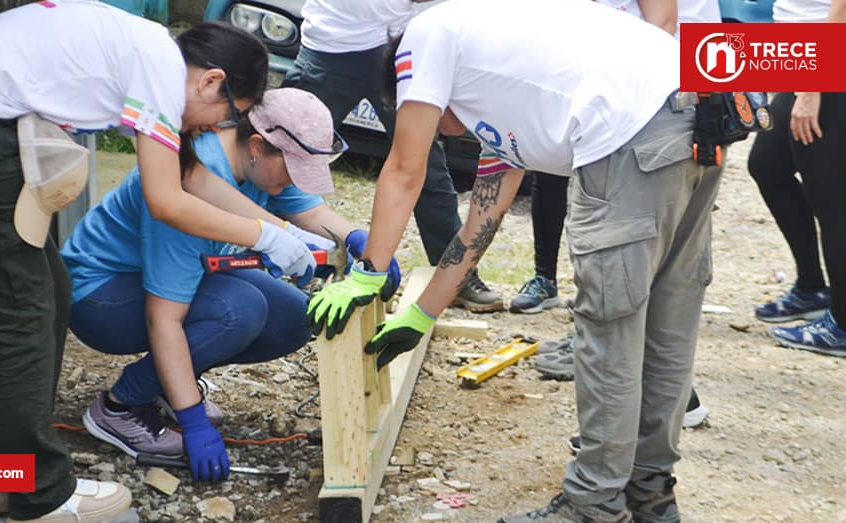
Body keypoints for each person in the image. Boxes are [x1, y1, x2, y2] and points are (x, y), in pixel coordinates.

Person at [0, 2, 295, 520]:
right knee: (26, 314)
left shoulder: (152, 58)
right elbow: (167, 201)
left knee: (47, 292)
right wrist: (263, 236)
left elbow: (190, 179)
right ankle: (42, 495)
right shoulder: (161, 73)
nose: (220, 125)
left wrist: (278, 232)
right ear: (212, 81)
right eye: (230, 113)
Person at [307, 1, 720, 521]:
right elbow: (482, 220)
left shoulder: (425, 35)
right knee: (667, 317)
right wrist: (420, 314)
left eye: (436, 123)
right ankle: (650, 494)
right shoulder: (502, 86)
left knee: (609, 325)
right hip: (697, 106)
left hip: (629, 125)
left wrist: (369, 272)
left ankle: (593, 504)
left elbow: (404, 170)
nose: (444, 133)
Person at [61, 88, 401, 480]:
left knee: (292, 317)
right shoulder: (192, 180)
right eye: (292, 169)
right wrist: (193, 422)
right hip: (101, 296)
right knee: (239, 309)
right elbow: (163, 319)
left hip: (169, 275)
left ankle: (167, 386)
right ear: (257, 145)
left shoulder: (261, 161)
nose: (294, 180)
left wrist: (359, 240)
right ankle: (121, 405)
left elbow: (310, 211)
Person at [529, 0, 712, 432]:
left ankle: (666, 410)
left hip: (654, 108)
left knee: (638, 271)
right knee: (637, 272)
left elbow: (662, 24)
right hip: (645, 102)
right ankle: (653, 415)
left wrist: (620, 101)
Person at [282, 0, 504, 312]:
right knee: (285, 156)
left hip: (392, 44)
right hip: (329, 46)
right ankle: (277, 261)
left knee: (425, 165)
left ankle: (456, 278)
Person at [756, 0, 846, 357]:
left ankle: (841, 323)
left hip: (826, 63)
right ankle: (812, 288)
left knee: (831, 199)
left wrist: (812, 87)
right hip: (801, 56)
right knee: (767, 166)